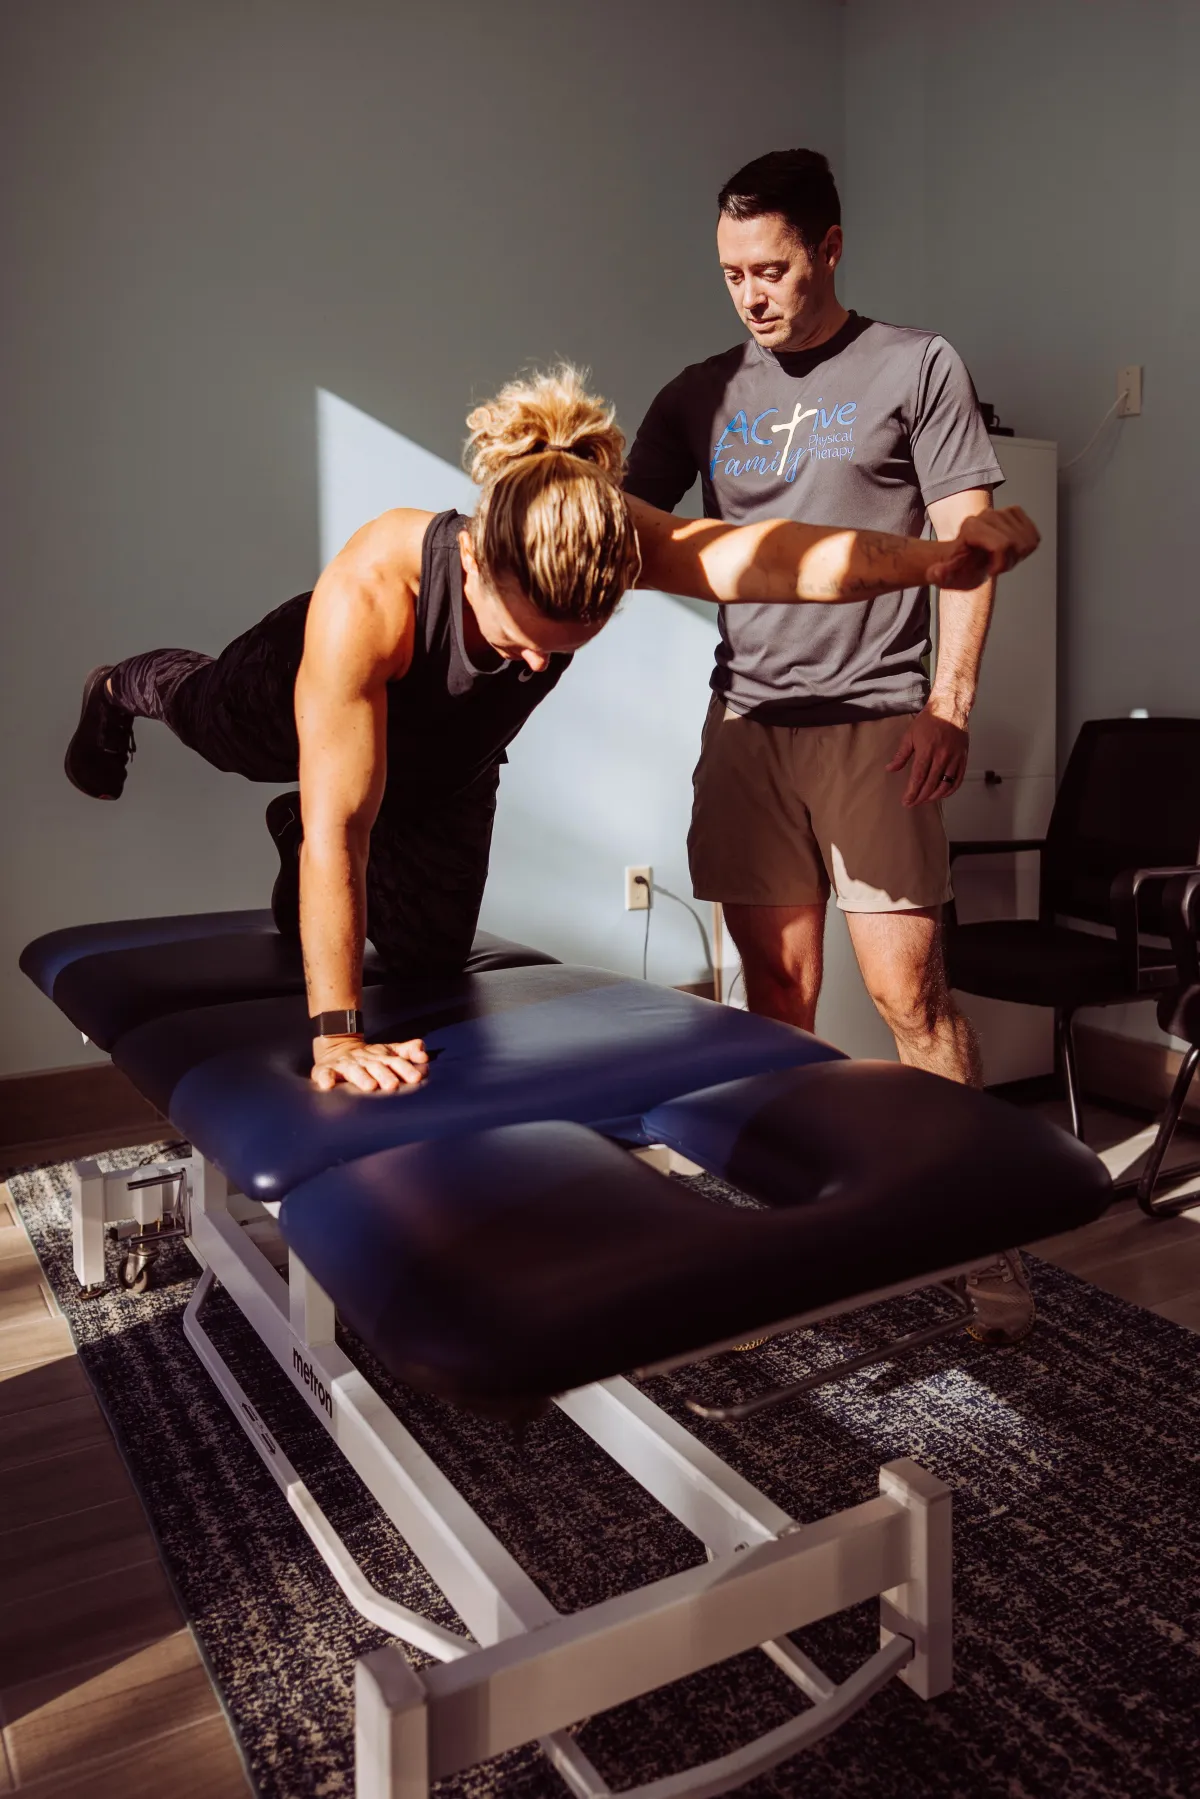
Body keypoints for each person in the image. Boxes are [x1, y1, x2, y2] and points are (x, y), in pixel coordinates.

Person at [66, 364, 1035, 1109]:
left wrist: (936, 560)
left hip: (446, 767)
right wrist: (336, 1035)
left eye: (562, 649)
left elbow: (769, 557)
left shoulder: (604, 533)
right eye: (515, 641)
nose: (531, 667)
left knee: (428, 959)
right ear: (477, 565)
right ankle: (117, 685)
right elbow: (342, 835)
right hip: (292, 699)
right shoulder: (371, 594)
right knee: (211, 721)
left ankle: (298, 831)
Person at [623, 149, 1036, 1342]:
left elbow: (969, 545)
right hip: (748, 725)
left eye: (773, 267)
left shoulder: (916, 364)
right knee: (775, 1001)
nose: (751, 293)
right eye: (732, 273)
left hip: (878, 724)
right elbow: (623, 529)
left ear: (830, 247)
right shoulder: (699, 393)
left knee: (913, 997)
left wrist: (949, 703)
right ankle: (787, 1243)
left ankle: (984, 1252)